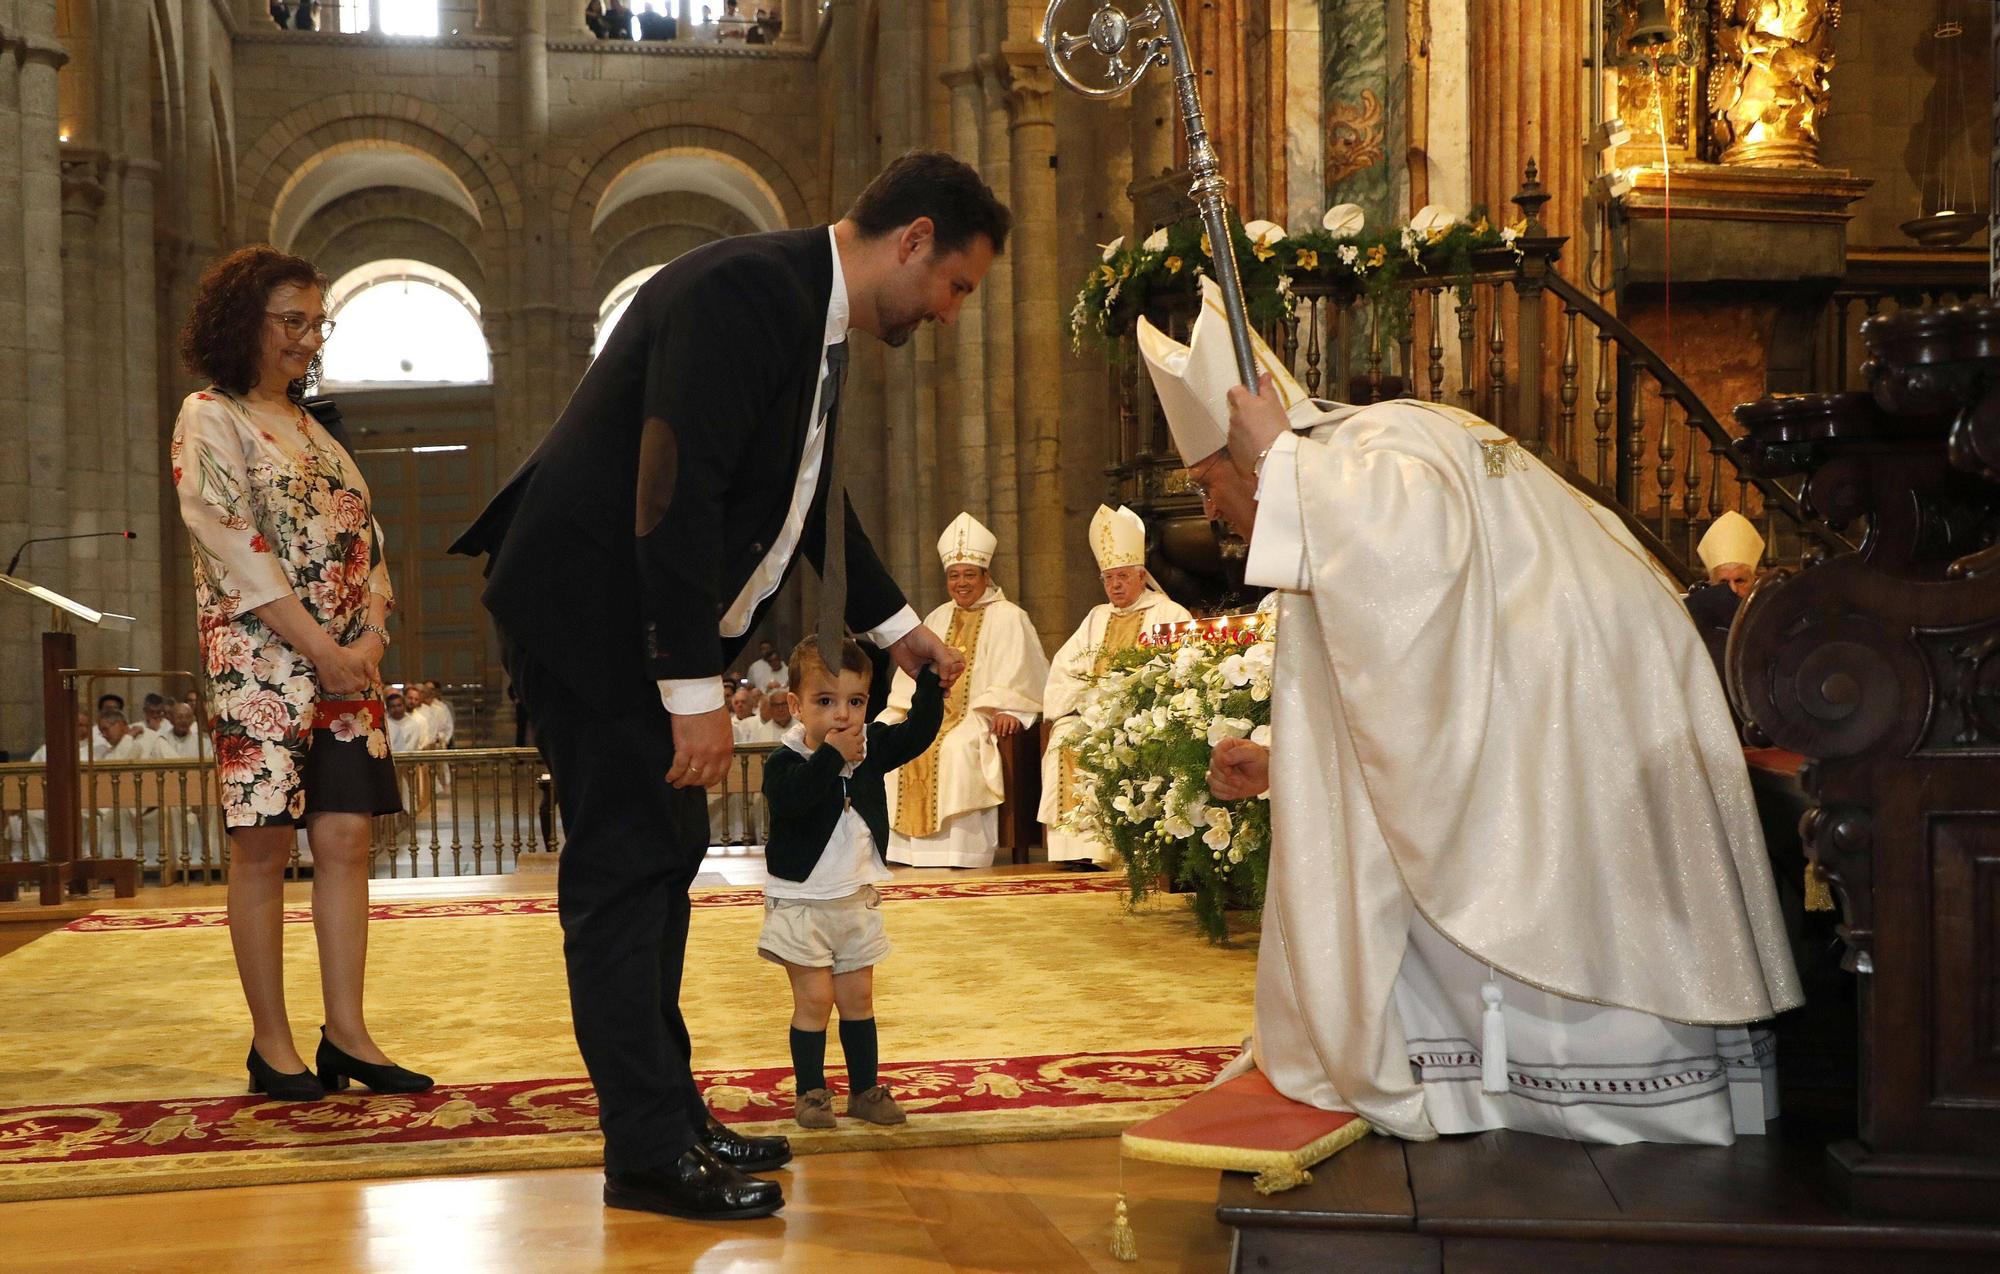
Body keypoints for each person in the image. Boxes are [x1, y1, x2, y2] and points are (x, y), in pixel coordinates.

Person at [450, 150, 1004, 1220]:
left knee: (667, 857)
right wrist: (689, 682)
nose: (947, 310)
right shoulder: (750, 290)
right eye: (956, 285)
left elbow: (804, 499)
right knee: (624, 872)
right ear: (915, 240)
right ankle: (646, 1151)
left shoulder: (810, 310)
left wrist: (897, 630)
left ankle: (667, 1114)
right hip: (592, 614)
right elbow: (675, 482)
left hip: (630, 619)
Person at [1139, 277, 1800, 1146]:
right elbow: (1392, 671)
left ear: (1249, 449)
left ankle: (1576, 1088)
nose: (1212, 510)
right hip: (1556, 690)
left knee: (1541, 887)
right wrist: (1279, 761)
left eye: (1207, 482)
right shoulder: (1344, 482)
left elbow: (1412, 571)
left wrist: (1288, 464)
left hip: (1577, 702)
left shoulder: (1369, 454)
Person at [173, 245, 426, 1104]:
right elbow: (228, 539)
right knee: (264, 845)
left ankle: (347, 1034)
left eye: (318, 323)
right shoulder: (210, 416)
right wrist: (320, 646)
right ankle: (272, 1044)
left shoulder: (316, 430)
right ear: (244, 320)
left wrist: (374, 629)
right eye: (293, 321)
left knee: (347, 838)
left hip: (346, 664)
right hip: (264, 661)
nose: (308, 340)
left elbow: (370, 542)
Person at [761, 638, 943, 1129]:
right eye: (826, 702)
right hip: (802, 903)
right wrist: (831, 758)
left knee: (858, 999)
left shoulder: (871, 747)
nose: (843, 715)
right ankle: (812, 1093)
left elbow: (920, 731)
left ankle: (864, 1090)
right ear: (797, 706)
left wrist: (929, 680)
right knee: (815, 1001)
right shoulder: (784, 763)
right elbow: (794, 800)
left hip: (855, 901)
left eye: (856, 702)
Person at [880, 513, 1047, 869]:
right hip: (931, 714)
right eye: (954, 576)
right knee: (897, 748)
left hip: (977, 717)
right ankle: (905, 851)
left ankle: (961, 850)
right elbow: (909, 678)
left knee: (956, 749)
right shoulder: (937, 618)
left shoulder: (1010, 617)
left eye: (970, 574)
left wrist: (1012, 712)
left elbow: (1023, 677)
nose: (962, 583)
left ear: (986, 576)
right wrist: (895, 713)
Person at [1038, 505, 1192, 868]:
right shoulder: (1096, 617)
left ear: (1141, 576)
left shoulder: (1170, 615)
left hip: (1145, 718)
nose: (1116, 585)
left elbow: (1181, 669)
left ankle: (1125, 850)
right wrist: (1083, 702)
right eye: (1108, 578)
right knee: (1064, 737)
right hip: (1094, 716)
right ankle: (1078, 848)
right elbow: (1066, 668)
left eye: (1123, 576)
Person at [1686, 510, 1766, 688]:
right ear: (1710, 584)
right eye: (1723, 582)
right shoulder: (1696, 623)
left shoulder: (1768, 617)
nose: (1732, 590)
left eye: (1740, 580)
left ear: (1755, 581)